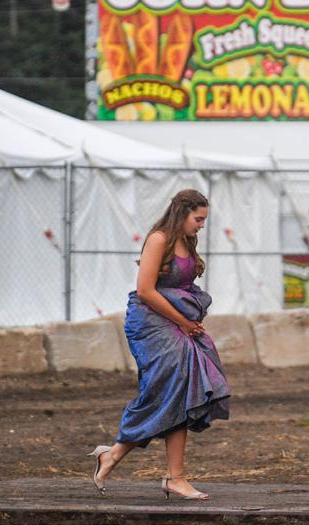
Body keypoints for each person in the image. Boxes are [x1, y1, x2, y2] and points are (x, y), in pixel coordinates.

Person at [88, 189, 230, 500]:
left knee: (181, 390)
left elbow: (182, 285)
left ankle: (158, 471)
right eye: (198, 218)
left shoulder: (186, 241)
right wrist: (183, 320)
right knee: (167, 389)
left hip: (177, 323)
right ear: (182, 213)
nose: (202, 225)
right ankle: (138, 464)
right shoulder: (158, 239)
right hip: (150, 323)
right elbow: (145, 291)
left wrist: (189, 314)